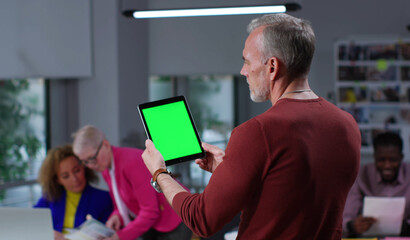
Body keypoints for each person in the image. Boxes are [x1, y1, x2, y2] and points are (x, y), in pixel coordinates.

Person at [142, 13, 361, 239]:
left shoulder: (258, 131)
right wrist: (234, 171)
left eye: (247, 61)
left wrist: (160, 173)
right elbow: (291, 195)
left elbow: (202, 219)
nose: (243, 71)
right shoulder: (346, 125)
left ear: (272, 66)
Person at [72, 125, 192, 240]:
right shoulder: (106, 169)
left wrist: (120, 236)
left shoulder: (131, 162)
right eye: (85, 162)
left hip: (174, 217)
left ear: (106, 145)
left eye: (92, 158)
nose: (91, 165)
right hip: (154, 223)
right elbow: (121, 203)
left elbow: (150, 211)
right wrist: (116, 216)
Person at [34, 144, 113, 240]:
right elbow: (31, 224)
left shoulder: (104, 199)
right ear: (57, 180)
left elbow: (108, 236)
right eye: (65, 176)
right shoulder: (49, 198)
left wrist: (63, 238)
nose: (74, 179)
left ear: (84, 167)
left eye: (77, 171)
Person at [343, 131, 410, 237]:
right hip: (368, 237)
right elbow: (346, 217)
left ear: (401, 157)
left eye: (393, 160)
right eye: (381, 160)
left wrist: (406, 227)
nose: (387, 165)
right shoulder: (361, 176)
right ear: (374, 157)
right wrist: (352, 226)